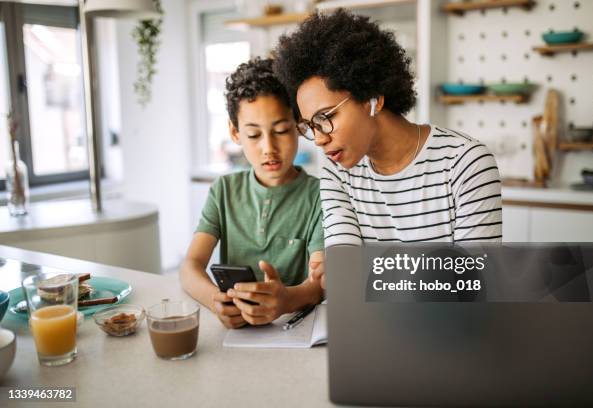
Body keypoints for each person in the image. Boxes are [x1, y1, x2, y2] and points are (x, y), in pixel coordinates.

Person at [273, 10, 502, 288]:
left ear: (373, 98)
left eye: (326, 117)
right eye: (310, 126)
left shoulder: (466, 163)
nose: (319, 138)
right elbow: (343, 270)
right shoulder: (337, 171)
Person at [180, 58, 324, 328]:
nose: (269, 148)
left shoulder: (320, 196)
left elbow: (318, 285)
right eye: (254, 135)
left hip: (291, 331)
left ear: (298, 126)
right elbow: (190, 267)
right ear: (235, 133)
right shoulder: (223, 191)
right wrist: (215, 300)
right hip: (235, 335)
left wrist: (286, 300)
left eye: (281, 131)